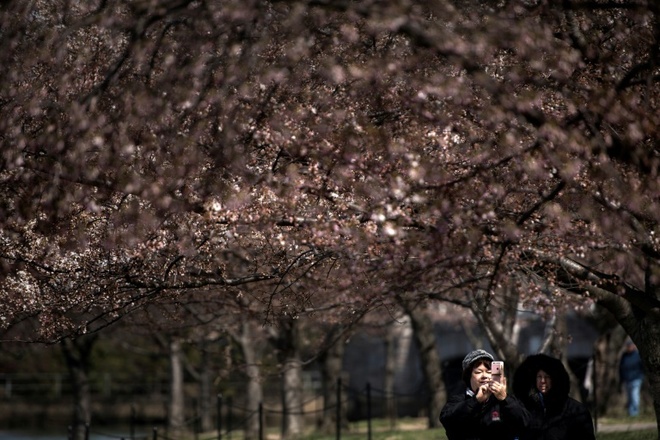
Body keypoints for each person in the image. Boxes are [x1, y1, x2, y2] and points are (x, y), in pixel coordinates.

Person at [440, 349, 529, 440]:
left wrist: (504, 399)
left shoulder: (504, 401)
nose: (485, 376)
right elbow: (448, 420)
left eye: (489, 372)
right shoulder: (457, 401)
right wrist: (476, 400)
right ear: (468, 376)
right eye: (478, 372)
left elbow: (525, 423)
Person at [512, 353, 595, 440]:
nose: (542, 381)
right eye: (539, 377)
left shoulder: (576, 411)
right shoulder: (526, 408)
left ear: (555, 379)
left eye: (547, 377)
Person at [619, 339, 644, 417]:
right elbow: (621, 367)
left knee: (634, 395)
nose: (629, 347)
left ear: (633, 346)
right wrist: (621, 378)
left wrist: (641, 376)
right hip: (627, 379)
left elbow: (642, 367)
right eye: (628, 346)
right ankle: (631, 413)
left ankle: (635, 413)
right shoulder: (624, 356)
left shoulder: (637, 355)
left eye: (630, 346)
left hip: (636, 378)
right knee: (629, 397)